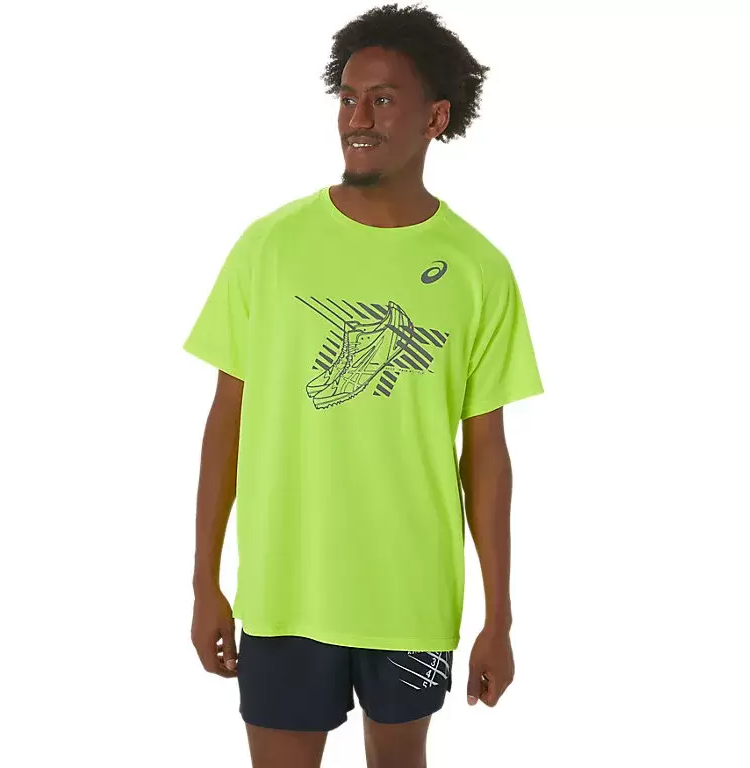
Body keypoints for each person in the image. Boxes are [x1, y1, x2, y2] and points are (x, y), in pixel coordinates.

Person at [182, 4, 543, 766]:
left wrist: (500, 617)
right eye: (348, 97)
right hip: (285, 595)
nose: (357, 117)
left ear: (435, 117)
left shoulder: (479, 271)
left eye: (382, 99)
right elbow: (226, 422)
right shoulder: (270, 247)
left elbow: (486, 456)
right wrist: (203, 581)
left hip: (410, 597)